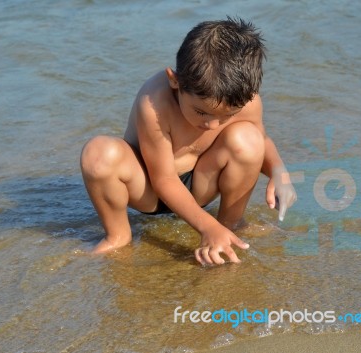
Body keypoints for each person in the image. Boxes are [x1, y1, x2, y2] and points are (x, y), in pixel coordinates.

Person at [80, 17, 296, 265]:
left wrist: (279, 172)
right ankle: (118, 236)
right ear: (175, 80)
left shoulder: (245, 100)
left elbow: (262, 140)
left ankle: (230, 225)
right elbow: (163, 179)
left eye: (228, 115)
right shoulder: (155, 102)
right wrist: (206, 226)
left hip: (200, 185)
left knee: (248, 139)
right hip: (148, 187)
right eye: (201, 112)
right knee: (98, 153)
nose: (212, 124)